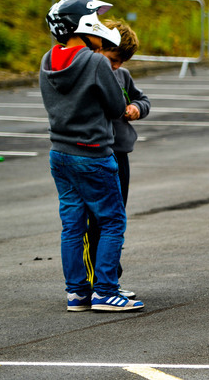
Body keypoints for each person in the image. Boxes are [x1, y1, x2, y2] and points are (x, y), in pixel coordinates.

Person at [40, 0, 144, 312]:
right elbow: (115, 107)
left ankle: (77, 293)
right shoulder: (96, 62)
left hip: (60, 152)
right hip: (93, 154)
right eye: (96, 24)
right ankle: (105, 292)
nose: (100, 31)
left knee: (73, 225)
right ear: (82, 26)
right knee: (112, 222)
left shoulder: (48, 60)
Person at [83, 19, 150, 298]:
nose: (116, 67)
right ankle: (96, 280)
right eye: (113, 59)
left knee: (116, 216)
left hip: (120, 153)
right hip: (96, 153)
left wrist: (136, 108)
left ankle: (109, 275)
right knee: (97, 219)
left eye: (121, 62)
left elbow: (143, 100)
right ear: (98, 48)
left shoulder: (122, 75)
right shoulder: (90, 73)